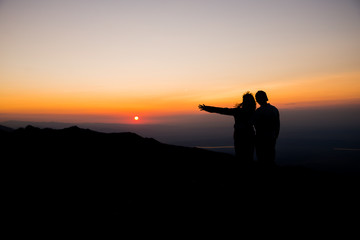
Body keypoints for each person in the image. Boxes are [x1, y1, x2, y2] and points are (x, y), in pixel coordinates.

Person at [198, 92, 256, 163]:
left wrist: (207, 108)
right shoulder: (255, 112)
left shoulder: (238, 111)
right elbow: (222, 110)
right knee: (249, 155)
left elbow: (222, 110)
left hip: (240, 135)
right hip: (249, 135)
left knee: (240, 155)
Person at [253, 91, 280, 167]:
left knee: (262, 158)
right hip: (272, 136)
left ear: (258, 100)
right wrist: (275, 135)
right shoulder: (274, 109)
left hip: (261, 138)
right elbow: (277, 125)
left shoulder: (258, 111)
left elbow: (253, 123)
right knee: (270, 157)